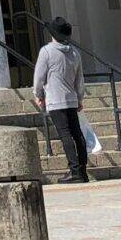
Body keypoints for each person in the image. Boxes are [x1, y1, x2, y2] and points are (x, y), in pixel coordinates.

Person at [31, 16, 90, 184]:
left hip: (56, 99)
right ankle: (82, 170)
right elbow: (80, 79)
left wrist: (38, 94)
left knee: (65, 134)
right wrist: (79, 97)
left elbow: (39, 77)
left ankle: (74, 170)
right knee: (77, 134)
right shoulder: (74, 52)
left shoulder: (47, 51)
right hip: (71, 98)